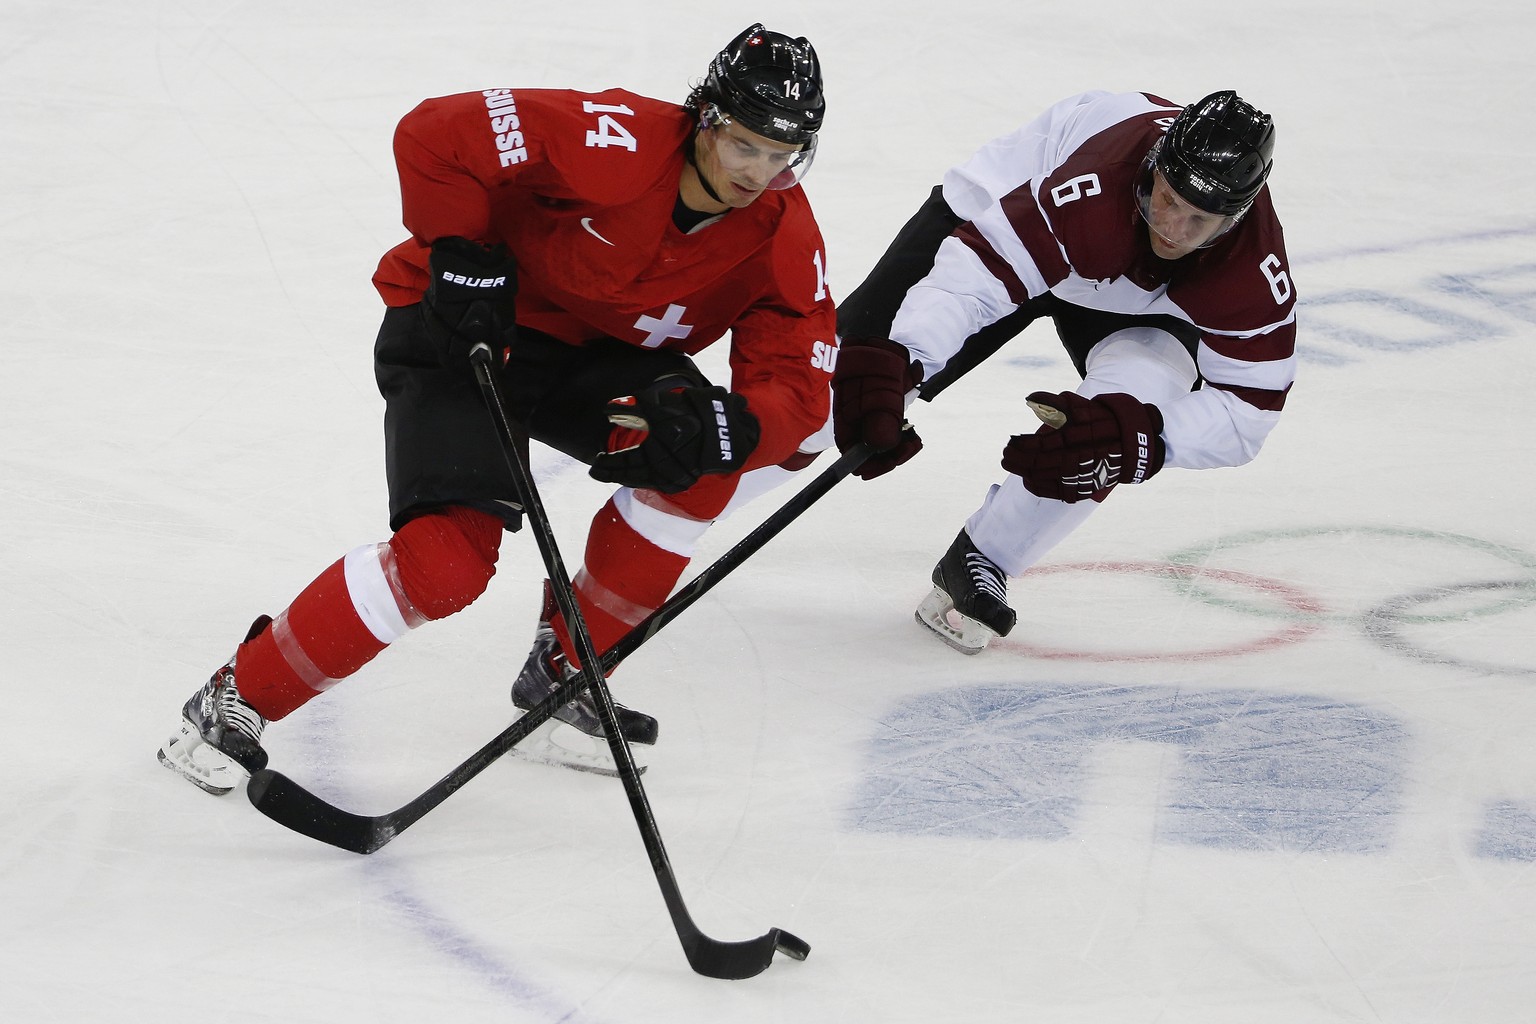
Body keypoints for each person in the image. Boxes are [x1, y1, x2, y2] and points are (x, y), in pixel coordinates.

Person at [158, 23, 837, 792]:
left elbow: (797, 377)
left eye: (784, 156)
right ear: (705, 118)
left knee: (700, 467)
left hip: (596, 358)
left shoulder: (783, 232)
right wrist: (461, 255)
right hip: (470, 328)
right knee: (445, 565)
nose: (761, 173)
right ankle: (239, 694)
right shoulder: (614, 139)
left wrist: (734, 426)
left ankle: (565, 675)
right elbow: (437, 133)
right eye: (746, 145)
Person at [832, 89, 1296, 653]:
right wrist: (902, 357)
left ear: (1235, 220)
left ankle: (987, 555)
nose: (1172, 228)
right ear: (1153, 169)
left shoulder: (1250, 269)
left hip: (1138, 304)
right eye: (1167, 199)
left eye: (1199, 220)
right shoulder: (1097, 189)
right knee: (847, 383)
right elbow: (975, 278)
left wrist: (1146, 440)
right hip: (1008, 218)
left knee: (1113, 428)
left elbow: (1250, 413)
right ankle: (708, 477)